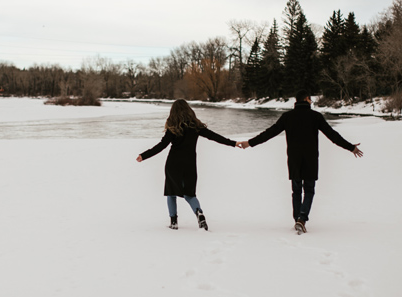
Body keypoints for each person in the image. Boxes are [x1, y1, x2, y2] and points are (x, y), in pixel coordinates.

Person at [237, 91, 363, 234]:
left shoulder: (288, 117)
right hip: (310, 159)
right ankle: (301, 219)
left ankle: (297, 218)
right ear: (307, 99)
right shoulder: (315, 116)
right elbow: (332, 135)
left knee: (296, 191)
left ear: (296, 101)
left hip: (294, 159)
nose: (312, 102)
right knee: (309, 190)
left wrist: (250, 143)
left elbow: (269, 133)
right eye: (311, 99)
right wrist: (350, 147)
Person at [137, 99, 238, 231]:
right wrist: (233, 143)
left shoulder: (173, 128)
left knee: (171, 192)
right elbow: (214, 136)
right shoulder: (196, 126)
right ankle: (199, 213)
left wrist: (144, 155)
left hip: (173, 164)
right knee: (189, 194)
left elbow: (161, 146)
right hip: (189, 163)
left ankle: (173, 222)